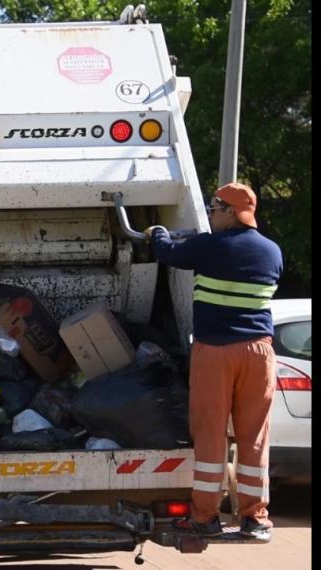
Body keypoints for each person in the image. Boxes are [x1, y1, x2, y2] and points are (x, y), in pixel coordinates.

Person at [144, 182, 282, 541]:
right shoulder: (272, 252)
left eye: (214, 209)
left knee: (210, 434)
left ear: (230, 213)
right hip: (259, 353)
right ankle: (255, 518)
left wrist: (157, 232)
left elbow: (168, 253)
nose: (209, 215)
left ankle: (206, 517)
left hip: (216, 352)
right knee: (254, 437)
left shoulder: (208, 247)